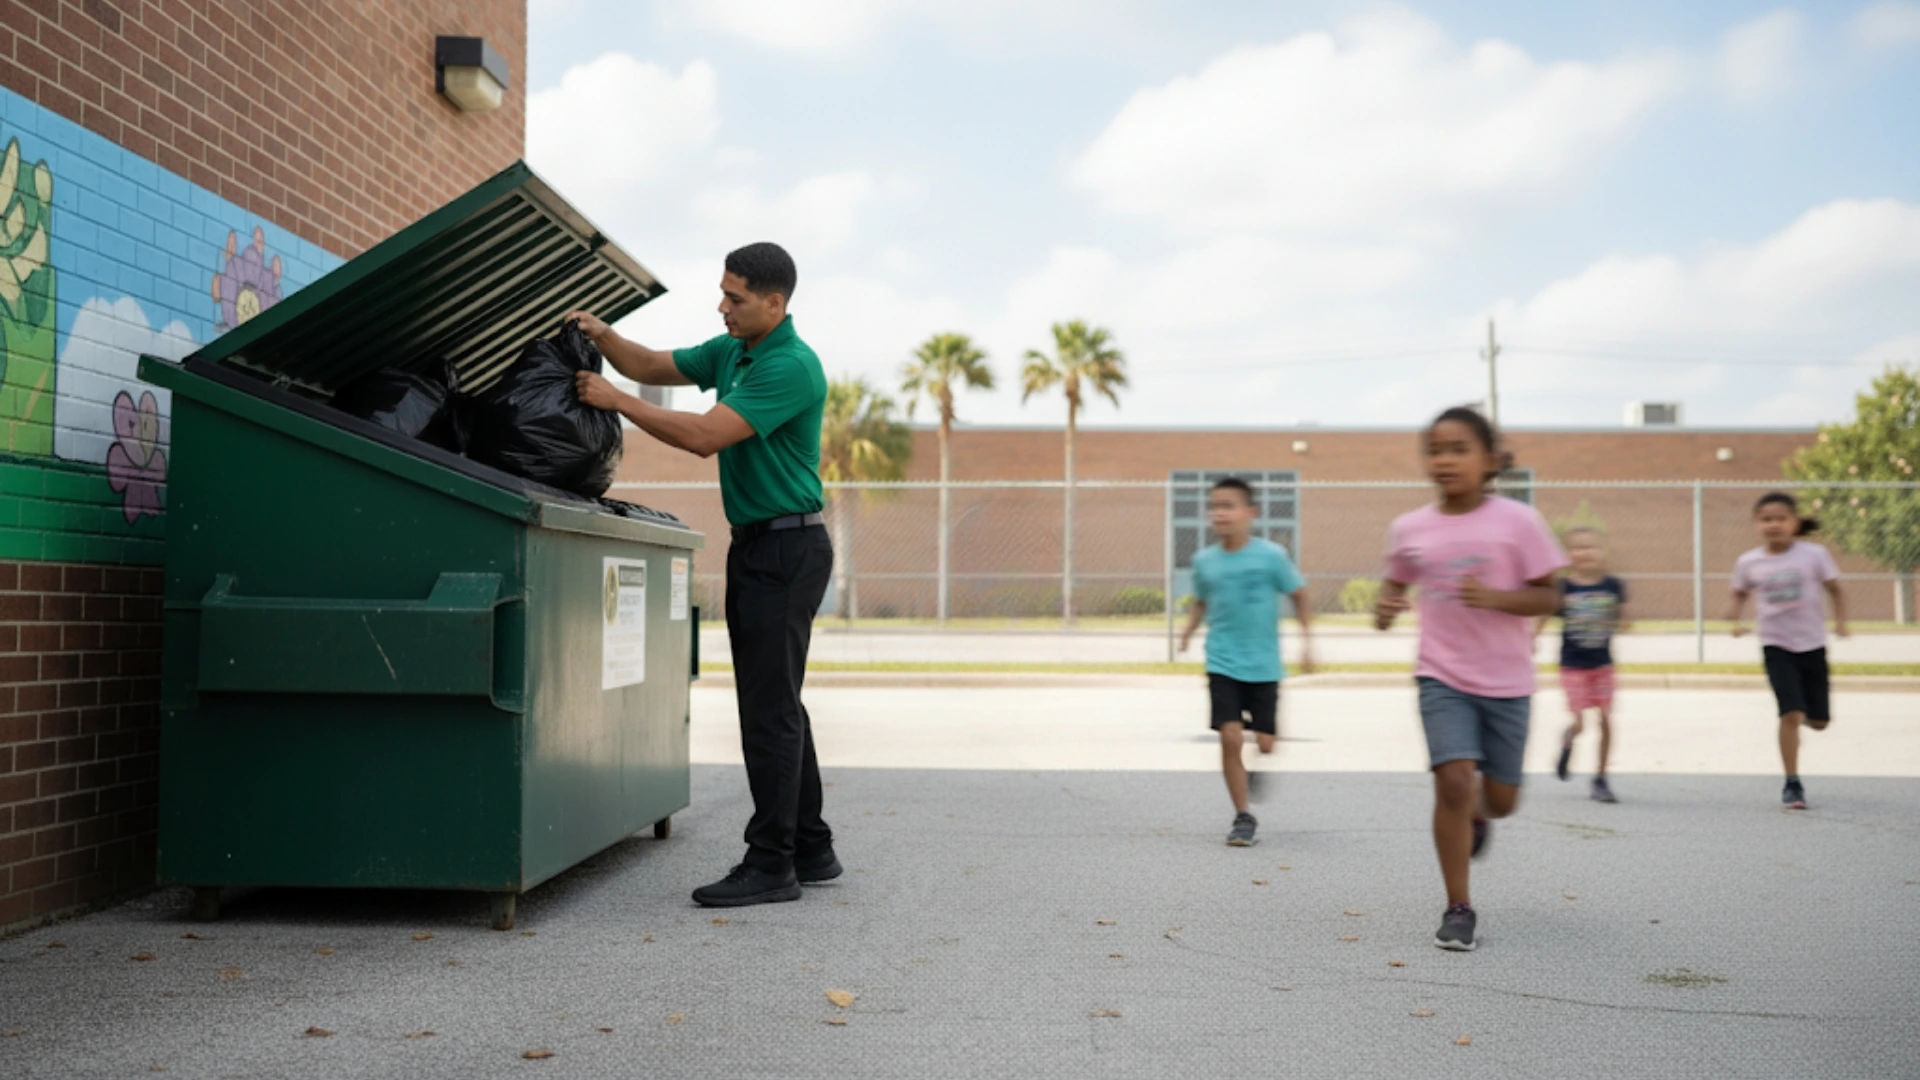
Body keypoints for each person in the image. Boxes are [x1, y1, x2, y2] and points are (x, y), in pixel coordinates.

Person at [568, 242, 839, 908]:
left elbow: (703, 436)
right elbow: (655, 363)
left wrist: (618, 401)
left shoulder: (791, 366)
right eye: (722, 292)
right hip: (759, 546)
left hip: (786, 552)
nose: (723, 307)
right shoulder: (734, 350)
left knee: (768, 713)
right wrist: (605, 335)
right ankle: (812, 845)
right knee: (779, 705)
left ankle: (772, 863)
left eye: (736, 297)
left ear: (775, 304)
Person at [1374, 407, 1566, 952]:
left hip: (1507, 682)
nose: (1445, 459)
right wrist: (1386, 608)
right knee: (1453, 778)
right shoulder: (1410, 529)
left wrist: (1497, 599)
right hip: (1441, 675)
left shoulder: (1519, 522)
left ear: (1489, 460)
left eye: (1459, 448)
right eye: (1435, 449)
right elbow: (1392, 589)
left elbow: (1552, 595)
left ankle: (1483, 814)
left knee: (1501, 799)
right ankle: (1459, 906)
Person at [1177, 477, 1314, 847]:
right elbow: (1201, 601)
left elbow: (1299, 595)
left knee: (1266, 743)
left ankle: (1250, 767)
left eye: (1228, 505)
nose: (1219, 513)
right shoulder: (1204, 562)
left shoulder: (1271, 556)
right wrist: (1188, 632)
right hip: (1222, 661)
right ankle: (1243, 816)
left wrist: (1307, 645)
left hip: (1265, 666)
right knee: (1230, 736)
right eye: (1215, 506)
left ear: (1250, 512)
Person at [1726, 492, 1849, 811]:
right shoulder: (1749, 562)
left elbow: (1835, 589)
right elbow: (1739, 594)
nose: (1774, 524)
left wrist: (1842, 622)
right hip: (1775, 645)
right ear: (1757, 524)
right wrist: (1734, 618)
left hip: (1812, 644)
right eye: (1766, 519)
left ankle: (1802, 714)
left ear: (1794, 522)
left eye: (1781, 518)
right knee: (1790, 713)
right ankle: (1792, 783)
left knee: (1819, 721)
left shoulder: (1814, 554)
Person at [1545, 527, 1630, 803]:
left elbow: (1624, 618)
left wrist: (1626, 622)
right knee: (1580, 723)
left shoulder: (1613, 585)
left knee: (1605, 718)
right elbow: (1545, 614)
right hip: (1573, 665)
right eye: (1577, 548)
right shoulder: (1564, 587)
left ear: (1603, 551)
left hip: (1602, 664)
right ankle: (1569, 739)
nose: (1584, 553)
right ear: (1568, 555)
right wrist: (1530, 638)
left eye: (1590, 547)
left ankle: (1601, 778)